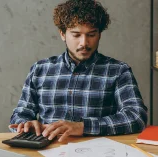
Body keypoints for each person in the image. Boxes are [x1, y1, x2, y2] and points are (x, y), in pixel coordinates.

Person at [9, 0, 148, 142]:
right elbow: (20, 114)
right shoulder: (40, 69)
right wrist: (25, 124)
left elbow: (136, 117)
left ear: (99, 34)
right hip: (47, 148)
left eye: (91, 34)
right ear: (62, 34)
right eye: (76, 35)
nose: (84, 43)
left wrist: (83, 127)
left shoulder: (118, 71)